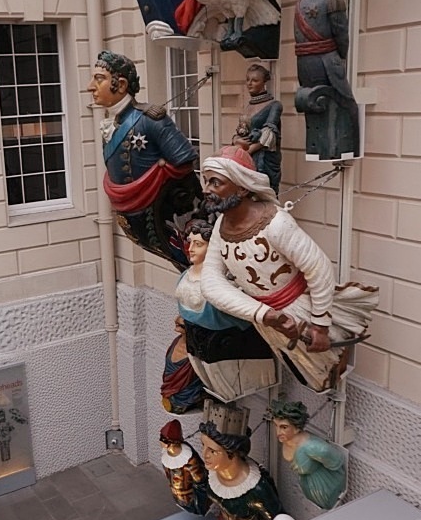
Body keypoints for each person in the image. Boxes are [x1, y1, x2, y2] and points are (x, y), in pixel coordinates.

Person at [199, 146, 378, 393]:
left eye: (215, 182)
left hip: (302, 311)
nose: (206, 189)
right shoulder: (221, 226)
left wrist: (320, 325)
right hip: (270, 320)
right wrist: (265, 314)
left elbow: (318, 268)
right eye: (206, 181)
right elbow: (210, 281)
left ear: (242, 188)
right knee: (302, 368)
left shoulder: (276, 224)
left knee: (324, 366)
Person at [88, 49, 202, 269]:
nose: (90, 86)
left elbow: (183, 159)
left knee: (188, 263)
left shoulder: (150, 119)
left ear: (121, 85)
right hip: (132, 213)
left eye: (99, 79)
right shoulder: (113, 123)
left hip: (159, 214)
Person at [175, 218, 276, 402]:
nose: (191, 249)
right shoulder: (185, 275)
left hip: (226, 344)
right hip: (199, 341)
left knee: (229, 380)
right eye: (190, 243)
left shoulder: (221, 283)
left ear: (212, 248)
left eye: (198, 244)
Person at [294, 0, 360, 160]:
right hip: (308, 60)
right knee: (315, 103)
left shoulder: (333, 1)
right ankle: (321, 146)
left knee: (341, 102)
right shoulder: (304, 1)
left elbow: (341, 35)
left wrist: (339, 58)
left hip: (324, 60)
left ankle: (339, 145)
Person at [199, 420, 282, 520]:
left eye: (212, 451)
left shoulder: (257, 489)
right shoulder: (212, 475)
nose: (204, 454)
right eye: (203, 446)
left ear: (233, 453)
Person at [269, 398, 346, 509]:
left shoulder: (313, 447)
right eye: (276, 425)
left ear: (297, 428)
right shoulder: (287, 439)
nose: (278, 432)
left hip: (325, 488)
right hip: (309, 487)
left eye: (284, 427)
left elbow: (336, 460)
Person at [232, 63, 282, 193]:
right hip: (245, 156)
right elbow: (240, 130)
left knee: (264, 193)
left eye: (255, 80)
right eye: (248, 80)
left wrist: (248, 151)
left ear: (264, 82)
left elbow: (270, 133)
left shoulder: (274, 105)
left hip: (264, 159)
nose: (249, 83)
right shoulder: (248, 107)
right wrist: (236, 140)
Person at [160, 420, 211, 515]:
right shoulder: (165, 454)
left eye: (162, 438)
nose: (159, 441)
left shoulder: (189, 459)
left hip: (189, 500)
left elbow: (200, 479)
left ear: (169, 442)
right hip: (177, 496)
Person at [160, 317, 206, 414]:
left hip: (187, 396)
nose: (176, 319)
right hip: (169, 392)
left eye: (183, 317)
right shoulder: (176, 341)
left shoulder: (197, 350)